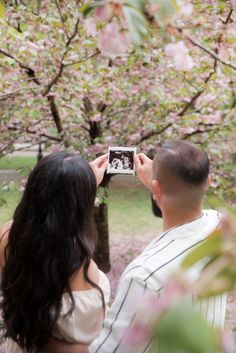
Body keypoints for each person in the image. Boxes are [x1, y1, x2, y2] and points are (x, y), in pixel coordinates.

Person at [44, 140, 226, 353]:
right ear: (208, 182)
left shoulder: (145, 275)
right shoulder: (222, 228)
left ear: (156, 188)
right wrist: (159, 187)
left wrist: (48, 341)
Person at [0, 152, 110, 353]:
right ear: (82, 203)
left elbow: (33, 218)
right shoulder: (82, 267)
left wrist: (80, 181)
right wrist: (81, 187)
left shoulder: (8, 235)